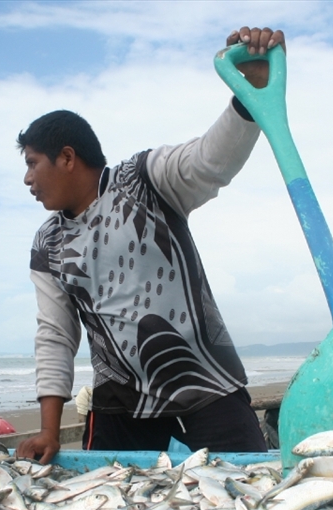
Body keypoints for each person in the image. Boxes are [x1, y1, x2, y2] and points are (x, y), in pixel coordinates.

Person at [16, 27, 285, 464]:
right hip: (120, 404)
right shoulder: (47, 242)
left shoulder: (145, 180)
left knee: (252, 490)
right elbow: (55, 334)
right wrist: (49, 430)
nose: (27, 179)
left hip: (205, 382)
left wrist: (248, 92)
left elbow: (210, 160)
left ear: (67, 157)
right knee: (108, 509)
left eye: (32, 163)